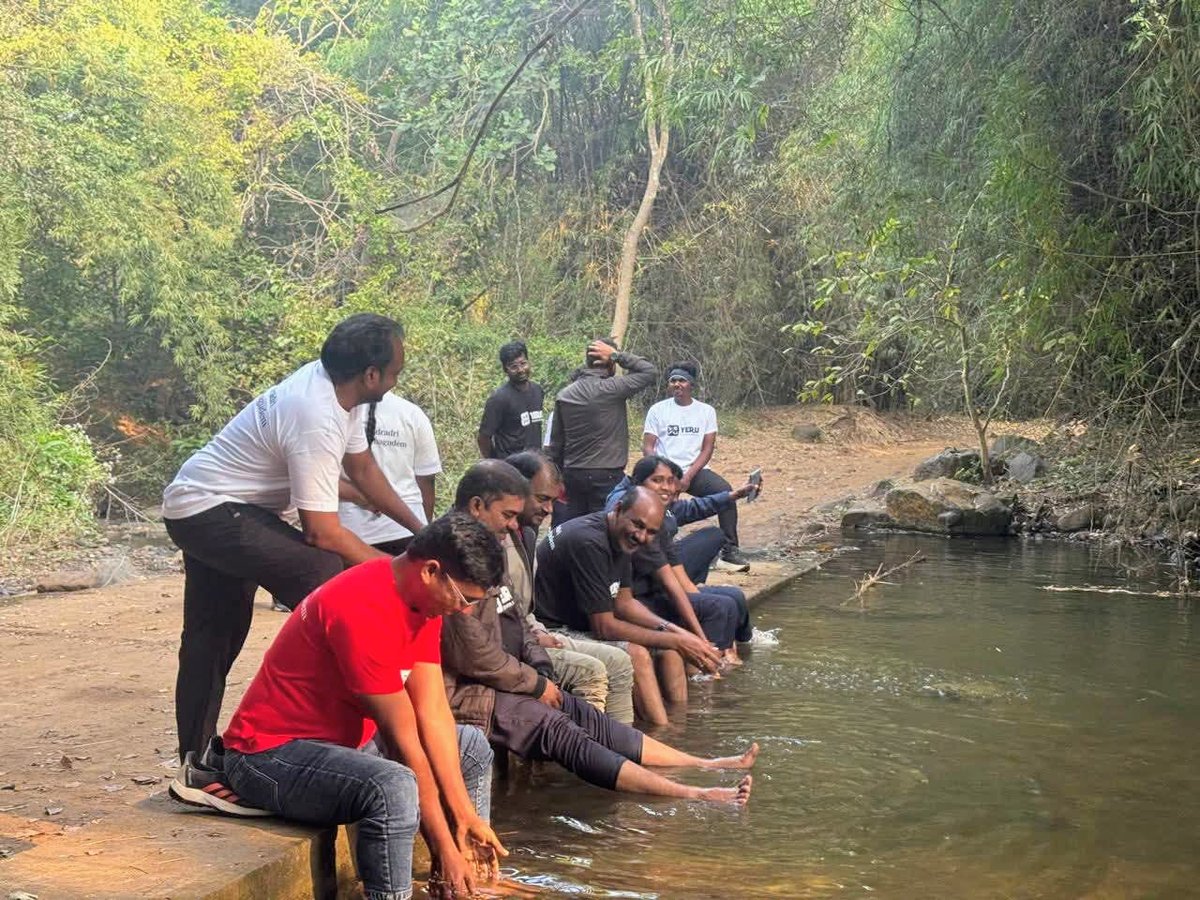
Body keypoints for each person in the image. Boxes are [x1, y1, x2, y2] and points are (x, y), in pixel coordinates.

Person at [170, 513, 509, 900]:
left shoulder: (422, 600)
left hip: (343, 744)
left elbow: (433, 712)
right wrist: (441, 846)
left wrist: (464, 818)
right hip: (268, 756)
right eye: (464, 599)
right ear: (431, 571)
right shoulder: (363, 608)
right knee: (393, 786)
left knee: (472, 747)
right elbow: (404, 745)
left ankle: (470, 878)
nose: (465, 611)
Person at [162, 313, 429, 758]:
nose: (397, 380)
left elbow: (362, 470)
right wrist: (399, 571)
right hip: (211, 510)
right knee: (328, 577)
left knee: (213, 638)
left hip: (209, 505)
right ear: (371, 375)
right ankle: (331, 732)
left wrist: (422, 532)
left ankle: (196, 759)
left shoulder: (340, 391)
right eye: (395, 372)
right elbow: (323, 533)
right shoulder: (316, 414)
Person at [533, 487, 722, 725]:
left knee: (671, 652)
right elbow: (604, 627)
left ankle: (680, 727)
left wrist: (677, 632)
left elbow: (624, 603)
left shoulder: (620, 538)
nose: (642, 536)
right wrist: (677, 640)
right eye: (638, 525)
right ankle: (661, 733)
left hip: (582, 621)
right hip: (552, 628)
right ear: (618, 509)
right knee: (637, 654)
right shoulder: (589, 542)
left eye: (651, 532)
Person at [505, 451, 636, 724]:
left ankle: (624, 739)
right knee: (591, 671)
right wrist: (532, 637)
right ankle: (589, 744)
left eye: (553, 501)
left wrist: (537, 630)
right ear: (514, 489)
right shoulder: (493, 540)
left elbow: (524, 608)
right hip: (512, 645)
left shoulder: (526, 534)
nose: (549, 510)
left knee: (620, 662)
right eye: (542, 498)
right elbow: (495, 615)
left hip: (534, 632)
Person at [609, 456, 757, 665]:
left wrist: (733, 496)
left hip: (657, 582)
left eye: (671, 482)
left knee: (734, 596)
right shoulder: (635, 515)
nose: (666, 488)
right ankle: (712, 659)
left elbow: (694, 508)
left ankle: (740, 645)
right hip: (641, 593)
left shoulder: (662, 512)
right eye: (657, 480)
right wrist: (700, 637)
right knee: (721, 606)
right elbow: (670, 583)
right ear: (638, 484)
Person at [642, 361, 750, 571]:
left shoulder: (706, 411)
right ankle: (652, 550)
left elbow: (707, 449)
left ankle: (729, 551)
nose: (677, 384)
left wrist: (687, 478)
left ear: (691, 384)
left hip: (695, 471)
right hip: (664, 471)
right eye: (673, 381)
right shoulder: (658, 410)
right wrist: (663, 474)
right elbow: (648, 447)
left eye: (682, 380)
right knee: (649, 505)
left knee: (725, 492)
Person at [546, 338, 657, 520]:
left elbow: (556, 444)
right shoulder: (613, 388)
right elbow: (649, 372)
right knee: (604, 526)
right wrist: (616, 355)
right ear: (611, 363)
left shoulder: (565, 394)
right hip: (607, 474)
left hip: (573, 474)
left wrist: (557, 478)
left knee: (575, 526)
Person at [340, 391, 442, 555]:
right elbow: (426, 480)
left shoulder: (338, 411)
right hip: (406, 529)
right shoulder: (411, 414)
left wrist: (359, 496)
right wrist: (423, 530)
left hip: (349, 530)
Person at [477, 340, 545, 459]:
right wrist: (496, 463)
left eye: (523, 363)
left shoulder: (537, 391)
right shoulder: (499, 399)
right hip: (510, 464)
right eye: (514, 366)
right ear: (505, 369)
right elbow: (483, 438)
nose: (520, 370)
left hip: (536, 463)